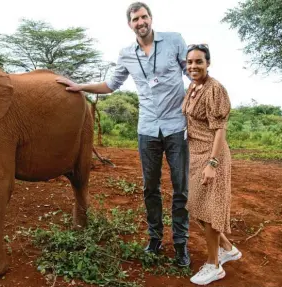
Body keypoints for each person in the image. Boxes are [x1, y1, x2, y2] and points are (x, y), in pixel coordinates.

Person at [56, 1, 191, 267]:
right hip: (148, 129)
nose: (140, 22)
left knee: (180, 189)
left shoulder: (175, 40)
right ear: (129, 24)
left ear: (151, 18)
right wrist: (78, 86)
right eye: (135, 19)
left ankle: (180, 244)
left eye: (143, 17)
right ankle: (154, 239)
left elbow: (192, 73)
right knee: (149, 188)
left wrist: (209, 89)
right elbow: (111, 84)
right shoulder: (126, 53)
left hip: (177, 126)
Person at [181, 44, 242, 285]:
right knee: (197, 207)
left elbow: (219, 130)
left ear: (208, 63)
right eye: (190, 62)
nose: (193, 66)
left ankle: (214, 265)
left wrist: (213, 163)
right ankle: (228, 248)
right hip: (196, 155)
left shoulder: (215, 89)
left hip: (211, 155)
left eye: (199, 62)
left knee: (208, 209)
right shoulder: (194, 86)